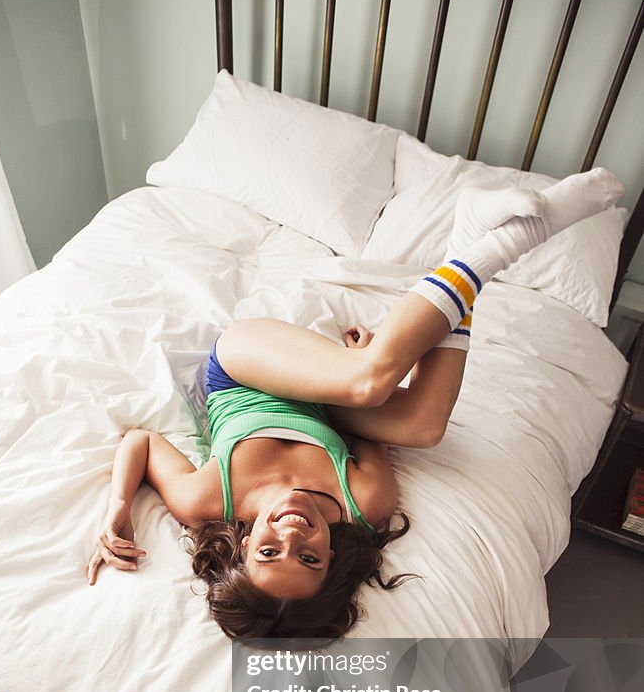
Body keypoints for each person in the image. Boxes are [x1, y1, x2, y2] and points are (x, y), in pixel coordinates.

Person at [87, 169, 623, 638]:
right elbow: (376, 428)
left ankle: (507, 243)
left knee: (369, 384)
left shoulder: (207, 499)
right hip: (326, 401)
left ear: (244, 546)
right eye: (309, 557)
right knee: (424, 425)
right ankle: (466, 238)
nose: (291, 533)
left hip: (245, 367)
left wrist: (118, 507)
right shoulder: (363, 501)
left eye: (270, 551)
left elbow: (140, 441)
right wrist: (371, 372)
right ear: (333, 558)